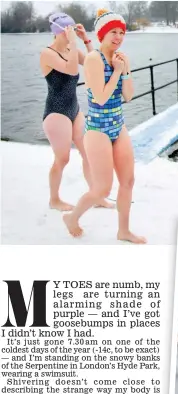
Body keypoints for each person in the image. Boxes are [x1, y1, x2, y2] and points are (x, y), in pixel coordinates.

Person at [63, 9, 146, 244]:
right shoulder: (93, 59)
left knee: (128, 181)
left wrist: (126, 70)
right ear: (102, 33)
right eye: (113, 32)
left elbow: (128, 96)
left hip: (118, 126)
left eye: (122, 32)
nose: (118, 37)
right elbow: (99, 98)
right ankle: (72, 218)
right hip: (98, 129)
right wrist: (117, 71)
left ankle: (124, 231)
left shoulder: (121, 58)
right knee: (101, 189)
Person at [40, 12, 112, 211]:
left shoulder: (72, 48)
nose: (70, 32)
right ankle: (54, 200)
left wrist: (85, 40)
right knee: (62, 159)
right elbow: (72, 70)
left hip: (74, 109)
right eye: (68, 29)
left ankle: (96, 196)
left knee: (88, 153)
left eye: (72, 29)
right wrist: (73, 44)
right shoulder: (47, 53)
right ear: (59, 32)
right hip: (56, 112)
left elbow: (94, 61)